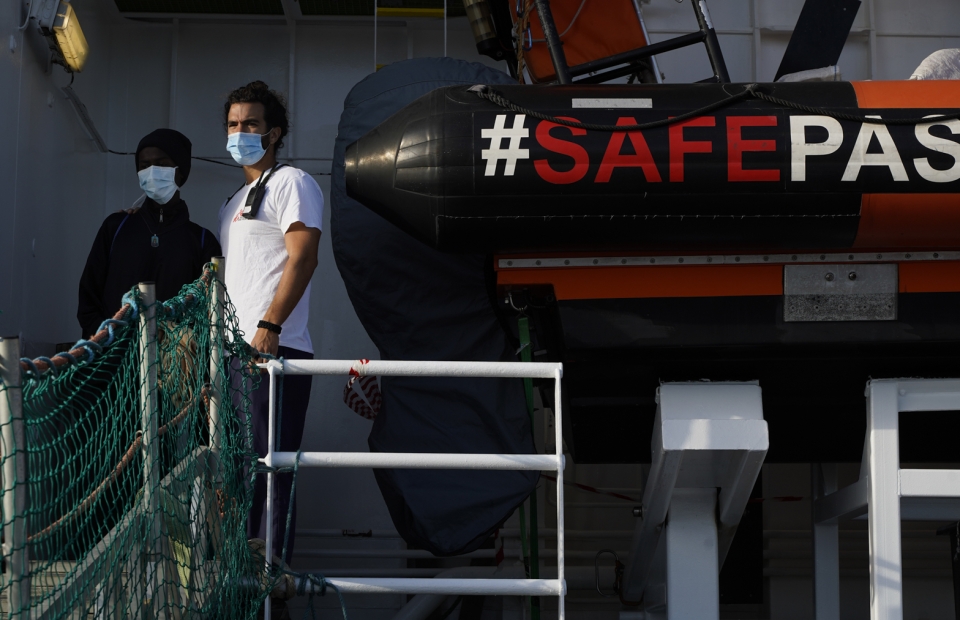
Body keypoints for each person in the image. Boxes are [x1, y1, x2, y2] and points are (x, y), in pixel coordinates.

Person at [218, 81, 322, 564]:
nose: (241, 133)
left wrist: (270, 327)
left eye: (251, 125)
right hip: (234, 356)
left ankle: (270, 582)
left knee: (269, 466)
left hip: (274, 352)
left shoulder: (291, 184)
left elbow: (302, 259)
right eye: (234, 125)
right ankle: (240, 577)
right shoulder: (230, 205)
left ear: (274, 133)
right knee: (237, 469)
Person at [78, 128, 221, 337]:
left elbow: (207, 310)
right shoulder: (115, 227)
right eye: (144, 166)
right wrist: (106, 339)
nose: (152, 171)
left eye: (161, 164)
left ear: (180, 172)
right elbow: (89, 297)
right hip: (112, 360)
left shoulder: (201, 241)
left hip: (172, 362)